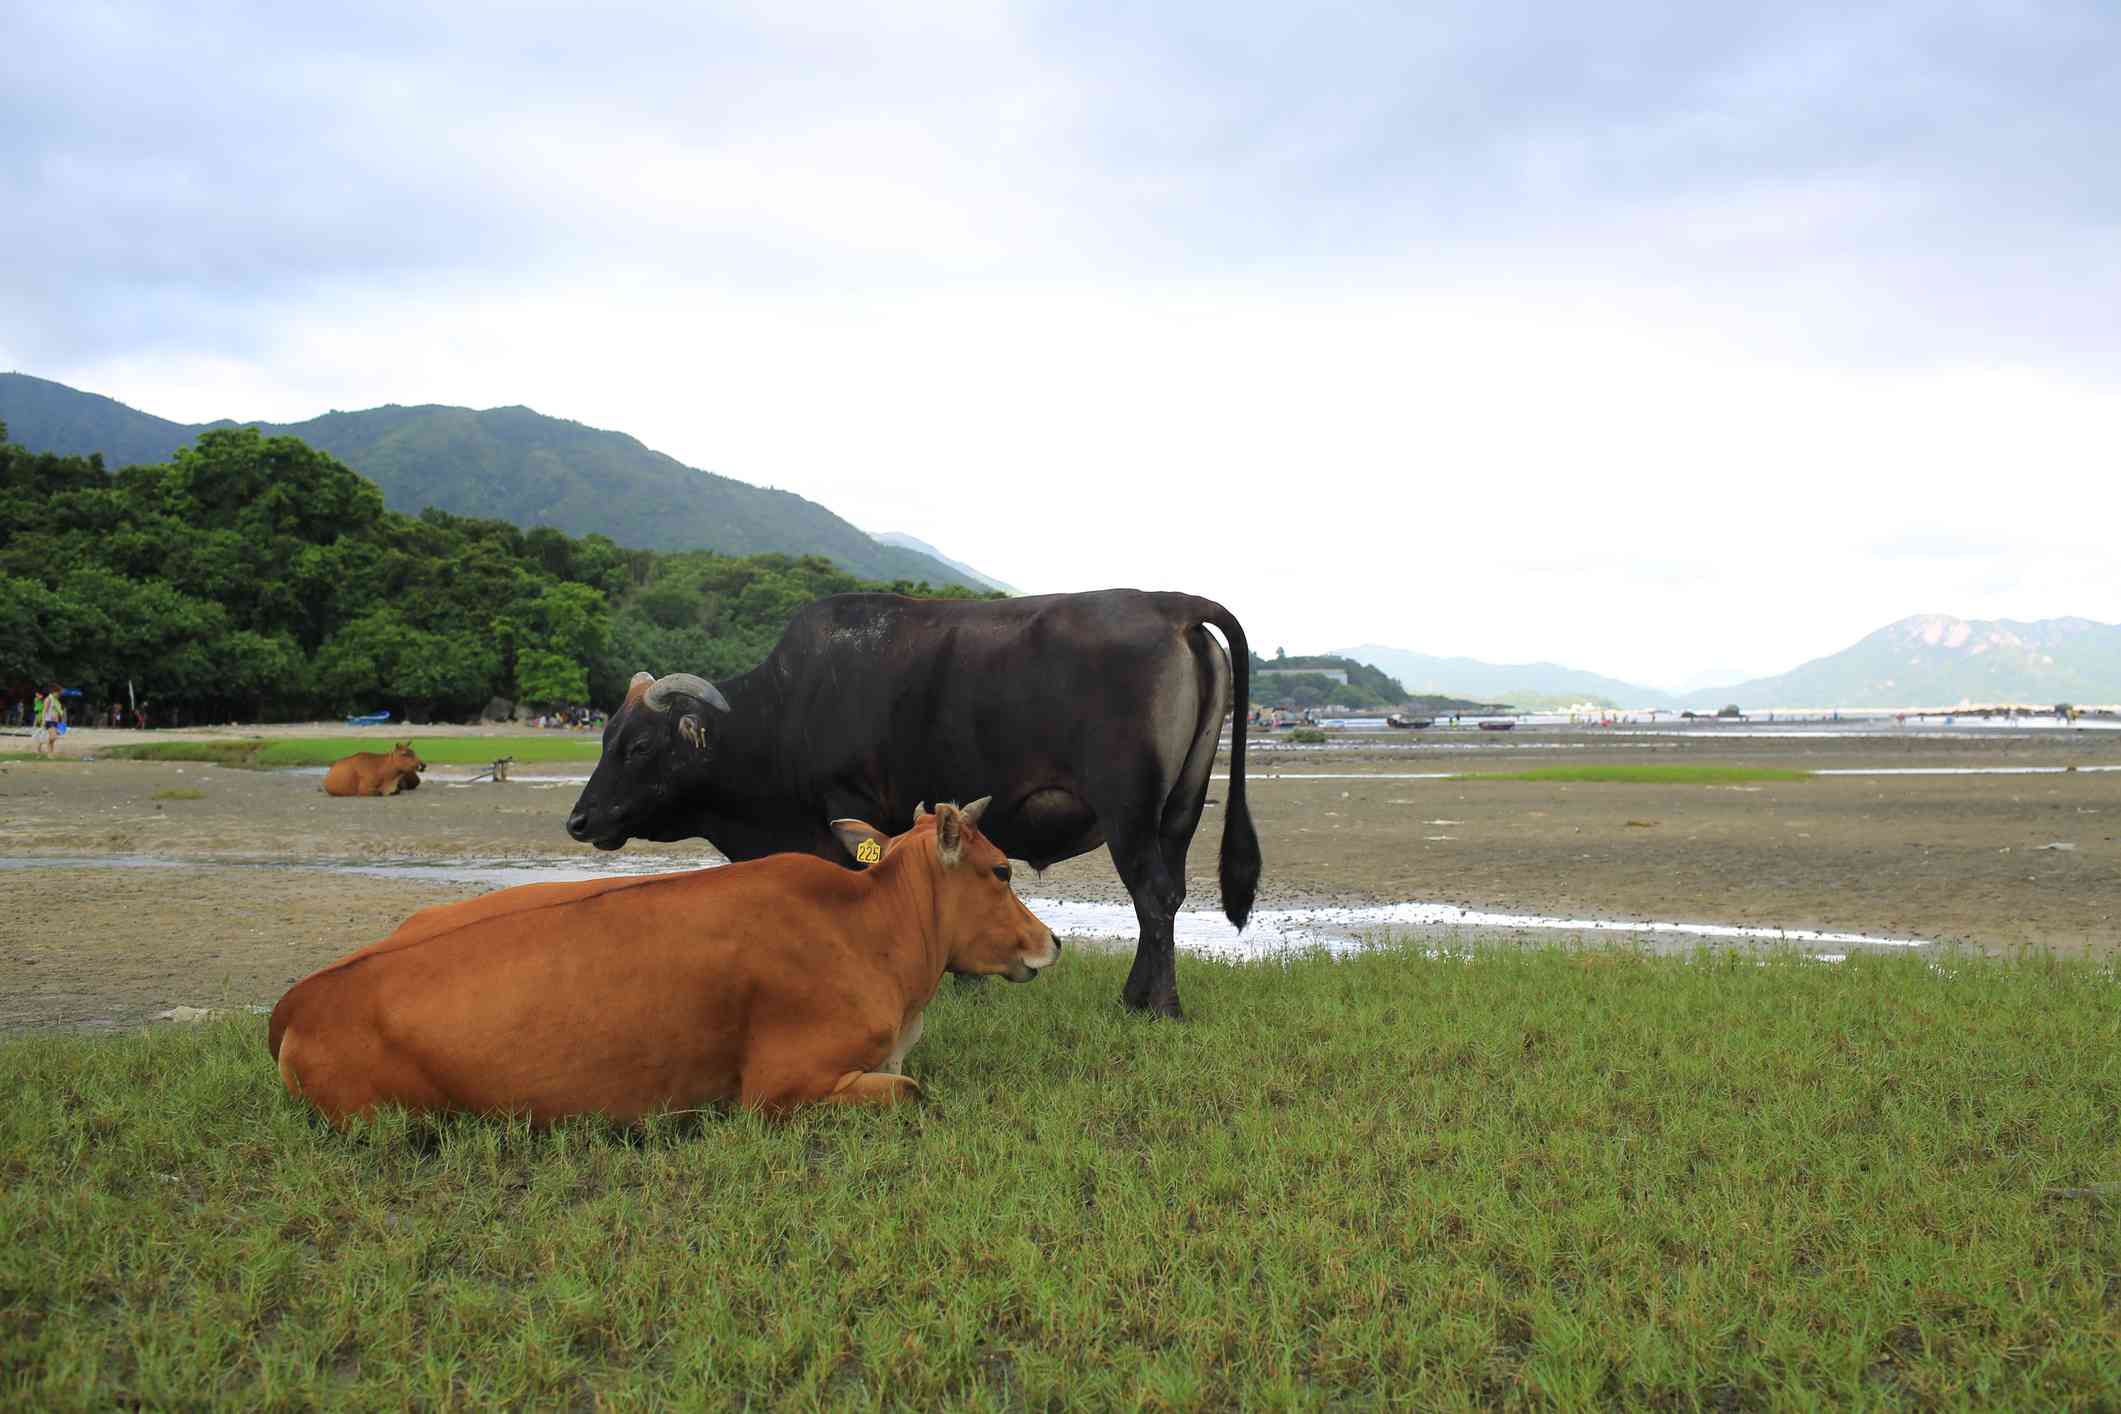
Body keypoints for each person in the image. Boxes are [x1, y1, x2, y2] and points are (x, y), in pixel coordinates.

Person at [35, 683, 65, 756]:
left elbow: (57, 711)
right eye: (59, 693)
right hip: (48, 721)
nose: (59, 695)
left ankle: (47, 751)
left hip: (55, 722)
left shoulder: (56, 700)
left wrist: (59, 720)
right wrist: (43, 721)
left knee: (50, 737)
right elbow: (44, 711)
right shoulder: (48, 699)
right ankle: (49, 753)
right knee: (53, 737)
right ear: (54, 692)